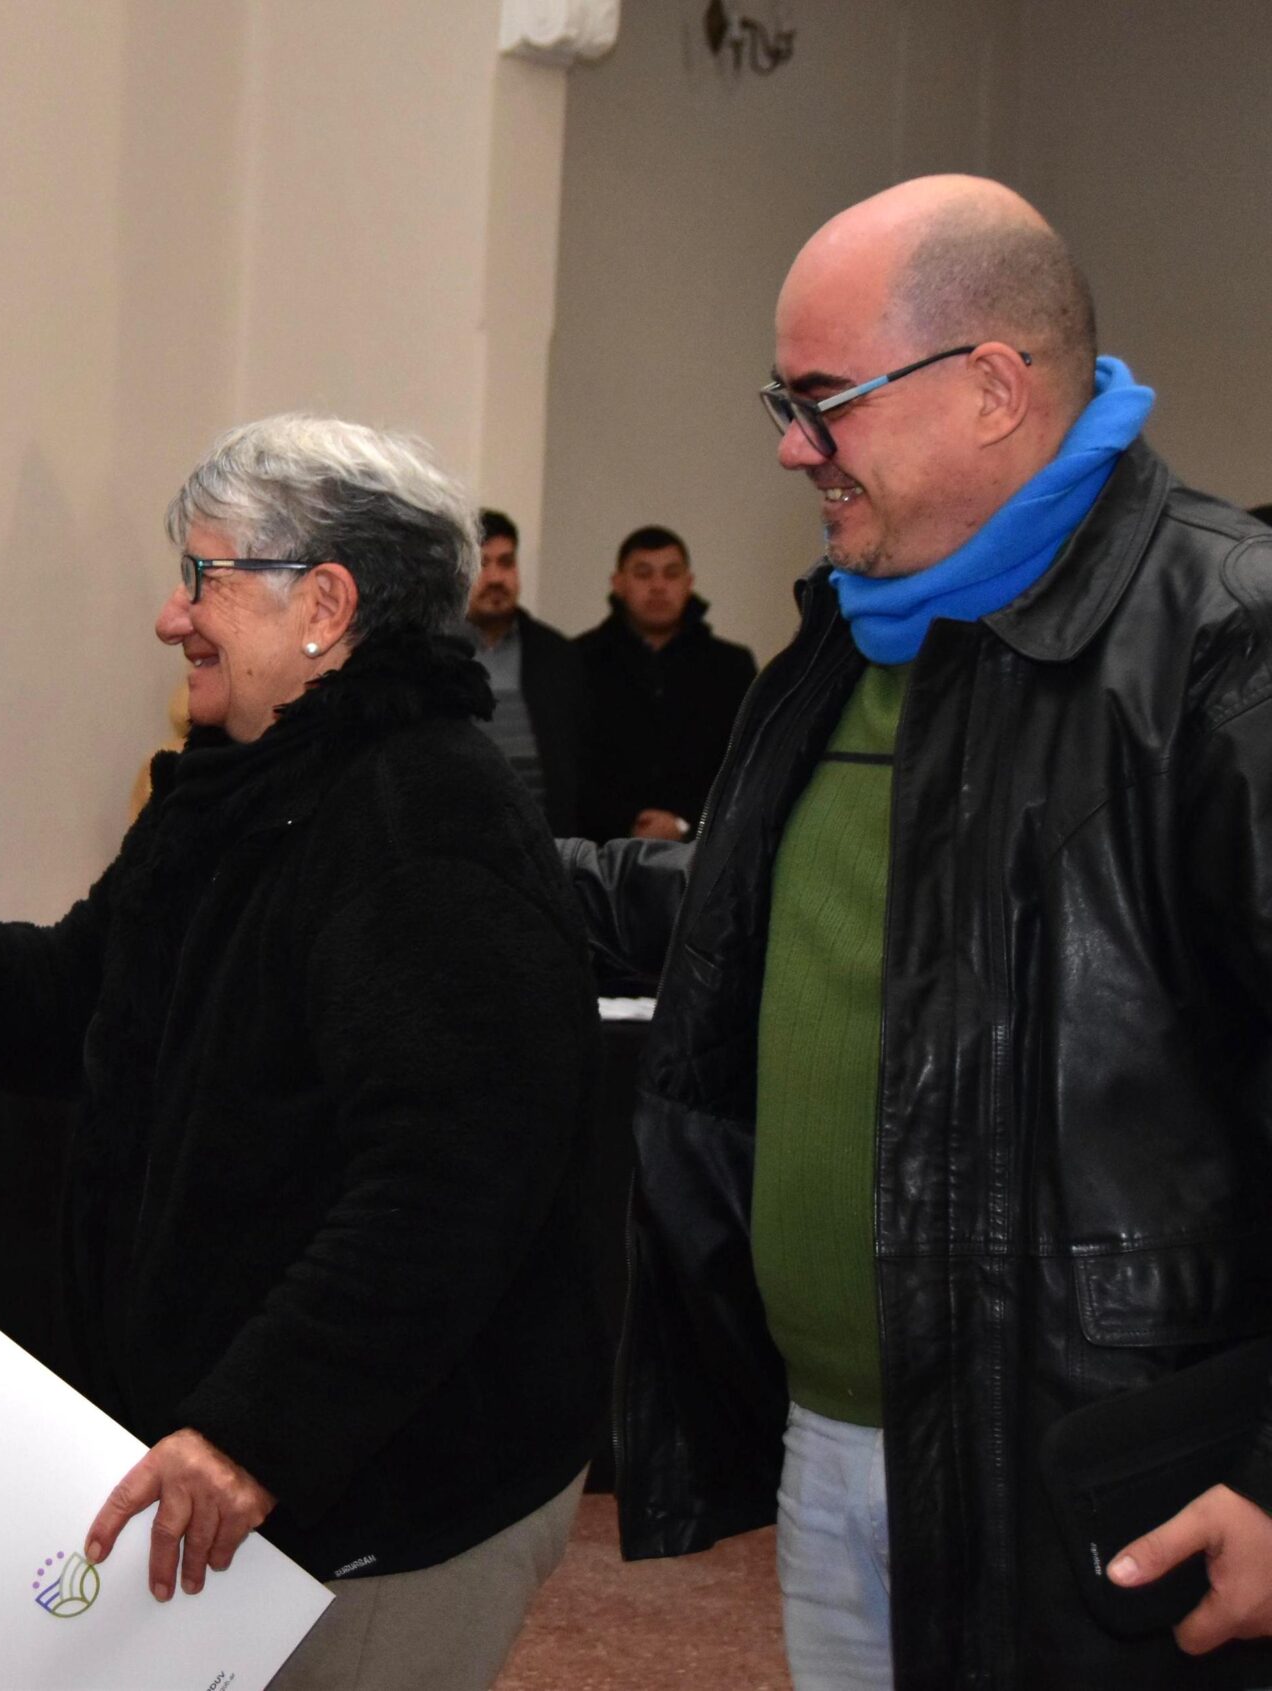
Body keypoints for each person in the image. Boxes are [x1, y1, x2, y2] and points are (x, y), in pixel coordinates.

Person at [571, 175, 1272, 1690]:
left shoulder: (1228, 643)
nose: (787, 445)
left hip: (1117, 1477)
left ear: (996, 387)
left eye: (823, 399)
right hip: (842, 1453)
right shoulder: (852, 643)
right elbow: (761, 909)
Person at [0, 415, 604, 1691]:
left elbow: (442, 1194)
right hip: (273, 1453)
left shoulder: (423, 827)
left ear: (326, 604)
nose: (169, 616)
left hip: (390, 1492)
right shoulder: (246, 787)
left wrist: (254, 1431)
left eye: (201, 577)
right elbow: (89, 998)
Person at [573, 524, 757, 840]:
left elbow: (747, 765)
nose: (658, 586)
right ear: (618, 583)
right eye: (643, 574)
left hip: (705, 854)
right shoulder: (577, 661)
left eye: (671, 574)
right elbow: (568, 764)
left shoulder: (731, 666)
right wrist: (627, 823)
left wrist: (685, 823)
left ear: (689, 583)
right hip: (599, 854)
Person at [465, 507, 592, 833]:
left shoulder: (557, 655)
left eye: (506, 563)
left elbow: (577, 762)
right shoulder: (430, 653)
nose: (495, 578)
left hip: (546, 846)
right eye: (482, 564)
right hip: (460, 840)